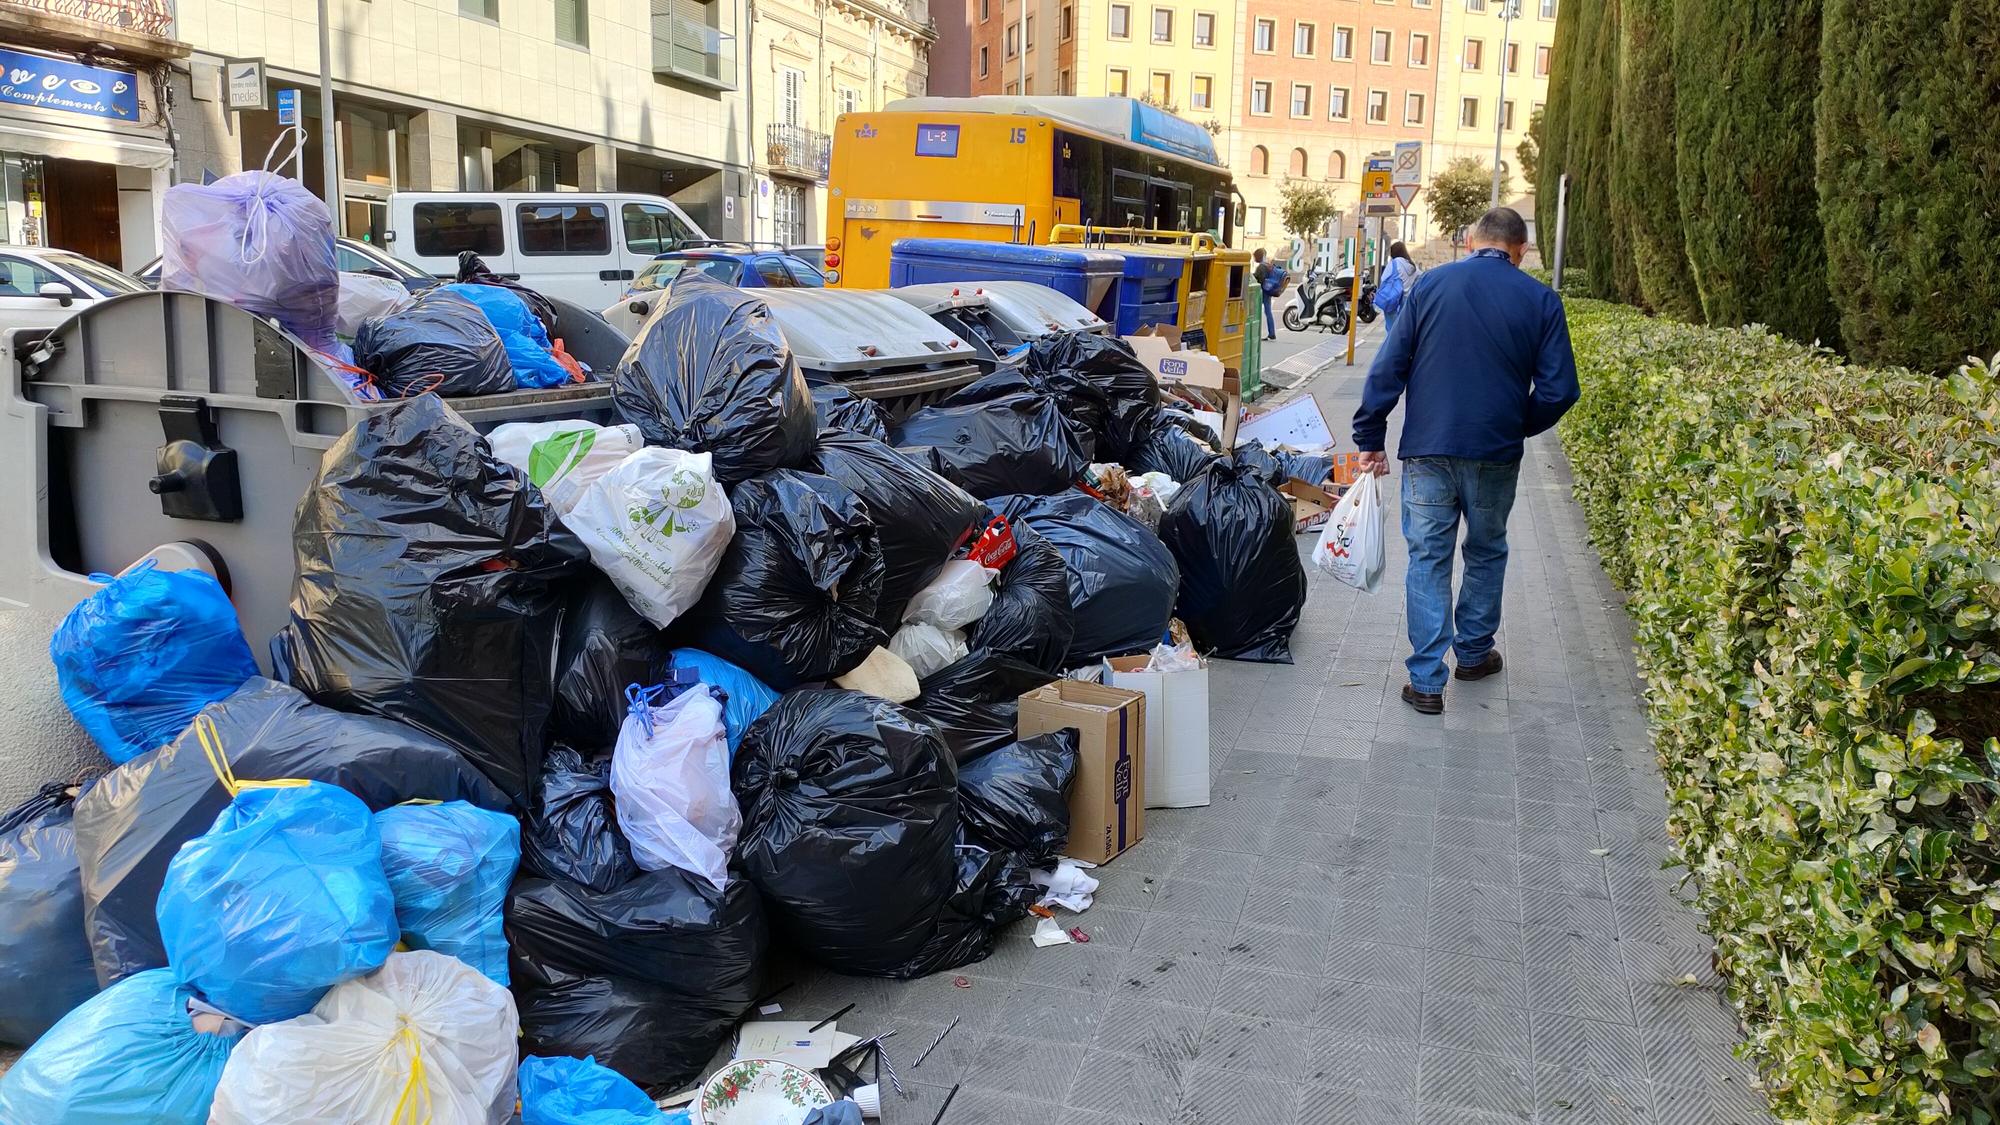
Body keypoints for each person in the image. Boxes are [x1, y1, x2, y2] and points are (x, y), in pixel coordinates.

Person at [1350, 207, 1580, 715]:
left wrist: (1370, 433)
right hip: (1495, 452)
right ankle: (1473, 654)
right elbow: (1561, 390)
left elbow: (1391, 364)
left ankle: (1427, 682)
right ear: (1521, 251)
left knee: (1428, 558)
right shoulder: (1541, 300)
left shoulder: (1430, 287)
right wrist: (1517, 422)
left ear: (1472, 240)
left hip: (1428, 450)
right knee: (1487, 549)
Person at [1378, 241, 1417, 334]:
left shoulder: (1394, 263)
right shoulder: (1412, 265)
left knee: (1391, 331)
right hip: (1407, 302)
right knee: (1403, 331)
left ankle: (1391, 348)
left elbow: (1384, 279)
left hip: (1393, 301)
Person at [1252, 248, 1284, 340]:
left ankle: (1258, 333)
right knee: (1268, 312)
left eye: (1255, 256)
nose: (1254, 258)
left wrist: (1253, 276)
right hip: (1268, 291)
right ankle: (1272, 333)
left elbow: (1260, 279)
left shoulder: (1261, 267)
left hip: (1263, 291)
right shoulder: (1267, 265)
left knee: (1256, 312)